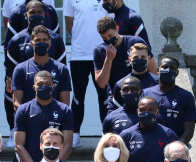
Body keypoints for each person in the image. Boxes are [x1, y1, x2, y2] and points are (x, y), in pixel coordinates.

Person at [5, 0, 66, 148]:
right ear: (26, 14)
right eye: (32, 12)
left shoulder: (56, 39)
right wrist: (8, 78)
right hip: (25, 86)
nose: (36, 15)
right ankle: (15, 130)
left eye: (39, 12)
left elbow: (62, 68)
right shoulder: (17, 40)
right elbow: (10, 65)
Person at [64, 0, 109, 147]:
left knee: (104, 96)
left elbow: (112, 23)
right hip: (79, 55)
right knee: (78, 96)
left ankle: (106, 133)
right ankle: (75, 134)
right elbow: (69, 24)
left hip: (102, 53)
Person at [11, 25, 71, 112]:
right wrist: (32, 116)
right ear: (32, 44)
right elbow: (16, 103)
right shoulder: (20, 69)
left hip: (54, 121)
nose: (41, 43)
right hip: (29, 120)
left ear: (50, 43)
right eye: (38, 40)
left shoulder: (61, 69)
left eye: (44, 40)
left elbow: (65, 104)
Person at [143, 54, 196, 143]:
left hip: (175, 151)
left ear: (177, 72)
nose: (168, 70)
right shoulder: (146, 94)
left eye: (172, 68)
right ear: (158, 70)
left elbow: (189, 130)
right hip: (150, 148)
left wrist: (176, 149)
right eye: (164, 67)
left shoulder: (186, 96)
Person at [93, 17, 156, 94]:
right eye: (104, 38)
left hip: (140, 91)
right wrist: (108, 59)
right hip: (116, 94)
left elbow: (153, 71)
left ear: (117, 29)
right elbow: (102, 83)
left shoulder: (135, 41)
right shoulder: (99, 50)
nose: (108, 39)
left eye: (110, 35)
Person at [106, 43, 158, 113]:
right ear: (130, 60)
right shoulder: (120, 85)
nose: (139, 60)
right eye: (136, 57)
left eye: (143, 57)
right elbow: (114, 112)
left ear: (148, 59)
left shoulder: (157, 82)